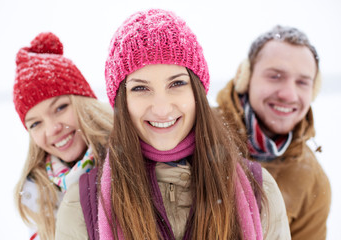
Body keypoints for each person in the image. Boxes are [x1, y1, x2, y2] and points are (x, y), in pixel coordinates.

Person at [55, 9, 290, 240]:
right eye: (140, 88)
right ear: (122, 102)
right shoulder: (83, 204)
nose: (162, 108)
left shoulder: (259, 190)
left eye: (176, 84)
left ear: (196, 91)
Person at [215, 25, 331, 239]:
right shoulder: (197, 133)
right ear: (246, 78)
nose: (288, 94)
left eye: (302, 82)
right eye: (275, 76)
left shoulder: (311, 179)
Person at [13, 32, 113, 240]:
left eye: (60, 108)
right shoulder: (38, 197)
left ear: (85, 104)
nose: (52, 130)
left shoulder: (132, 156)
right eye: (36, 123)